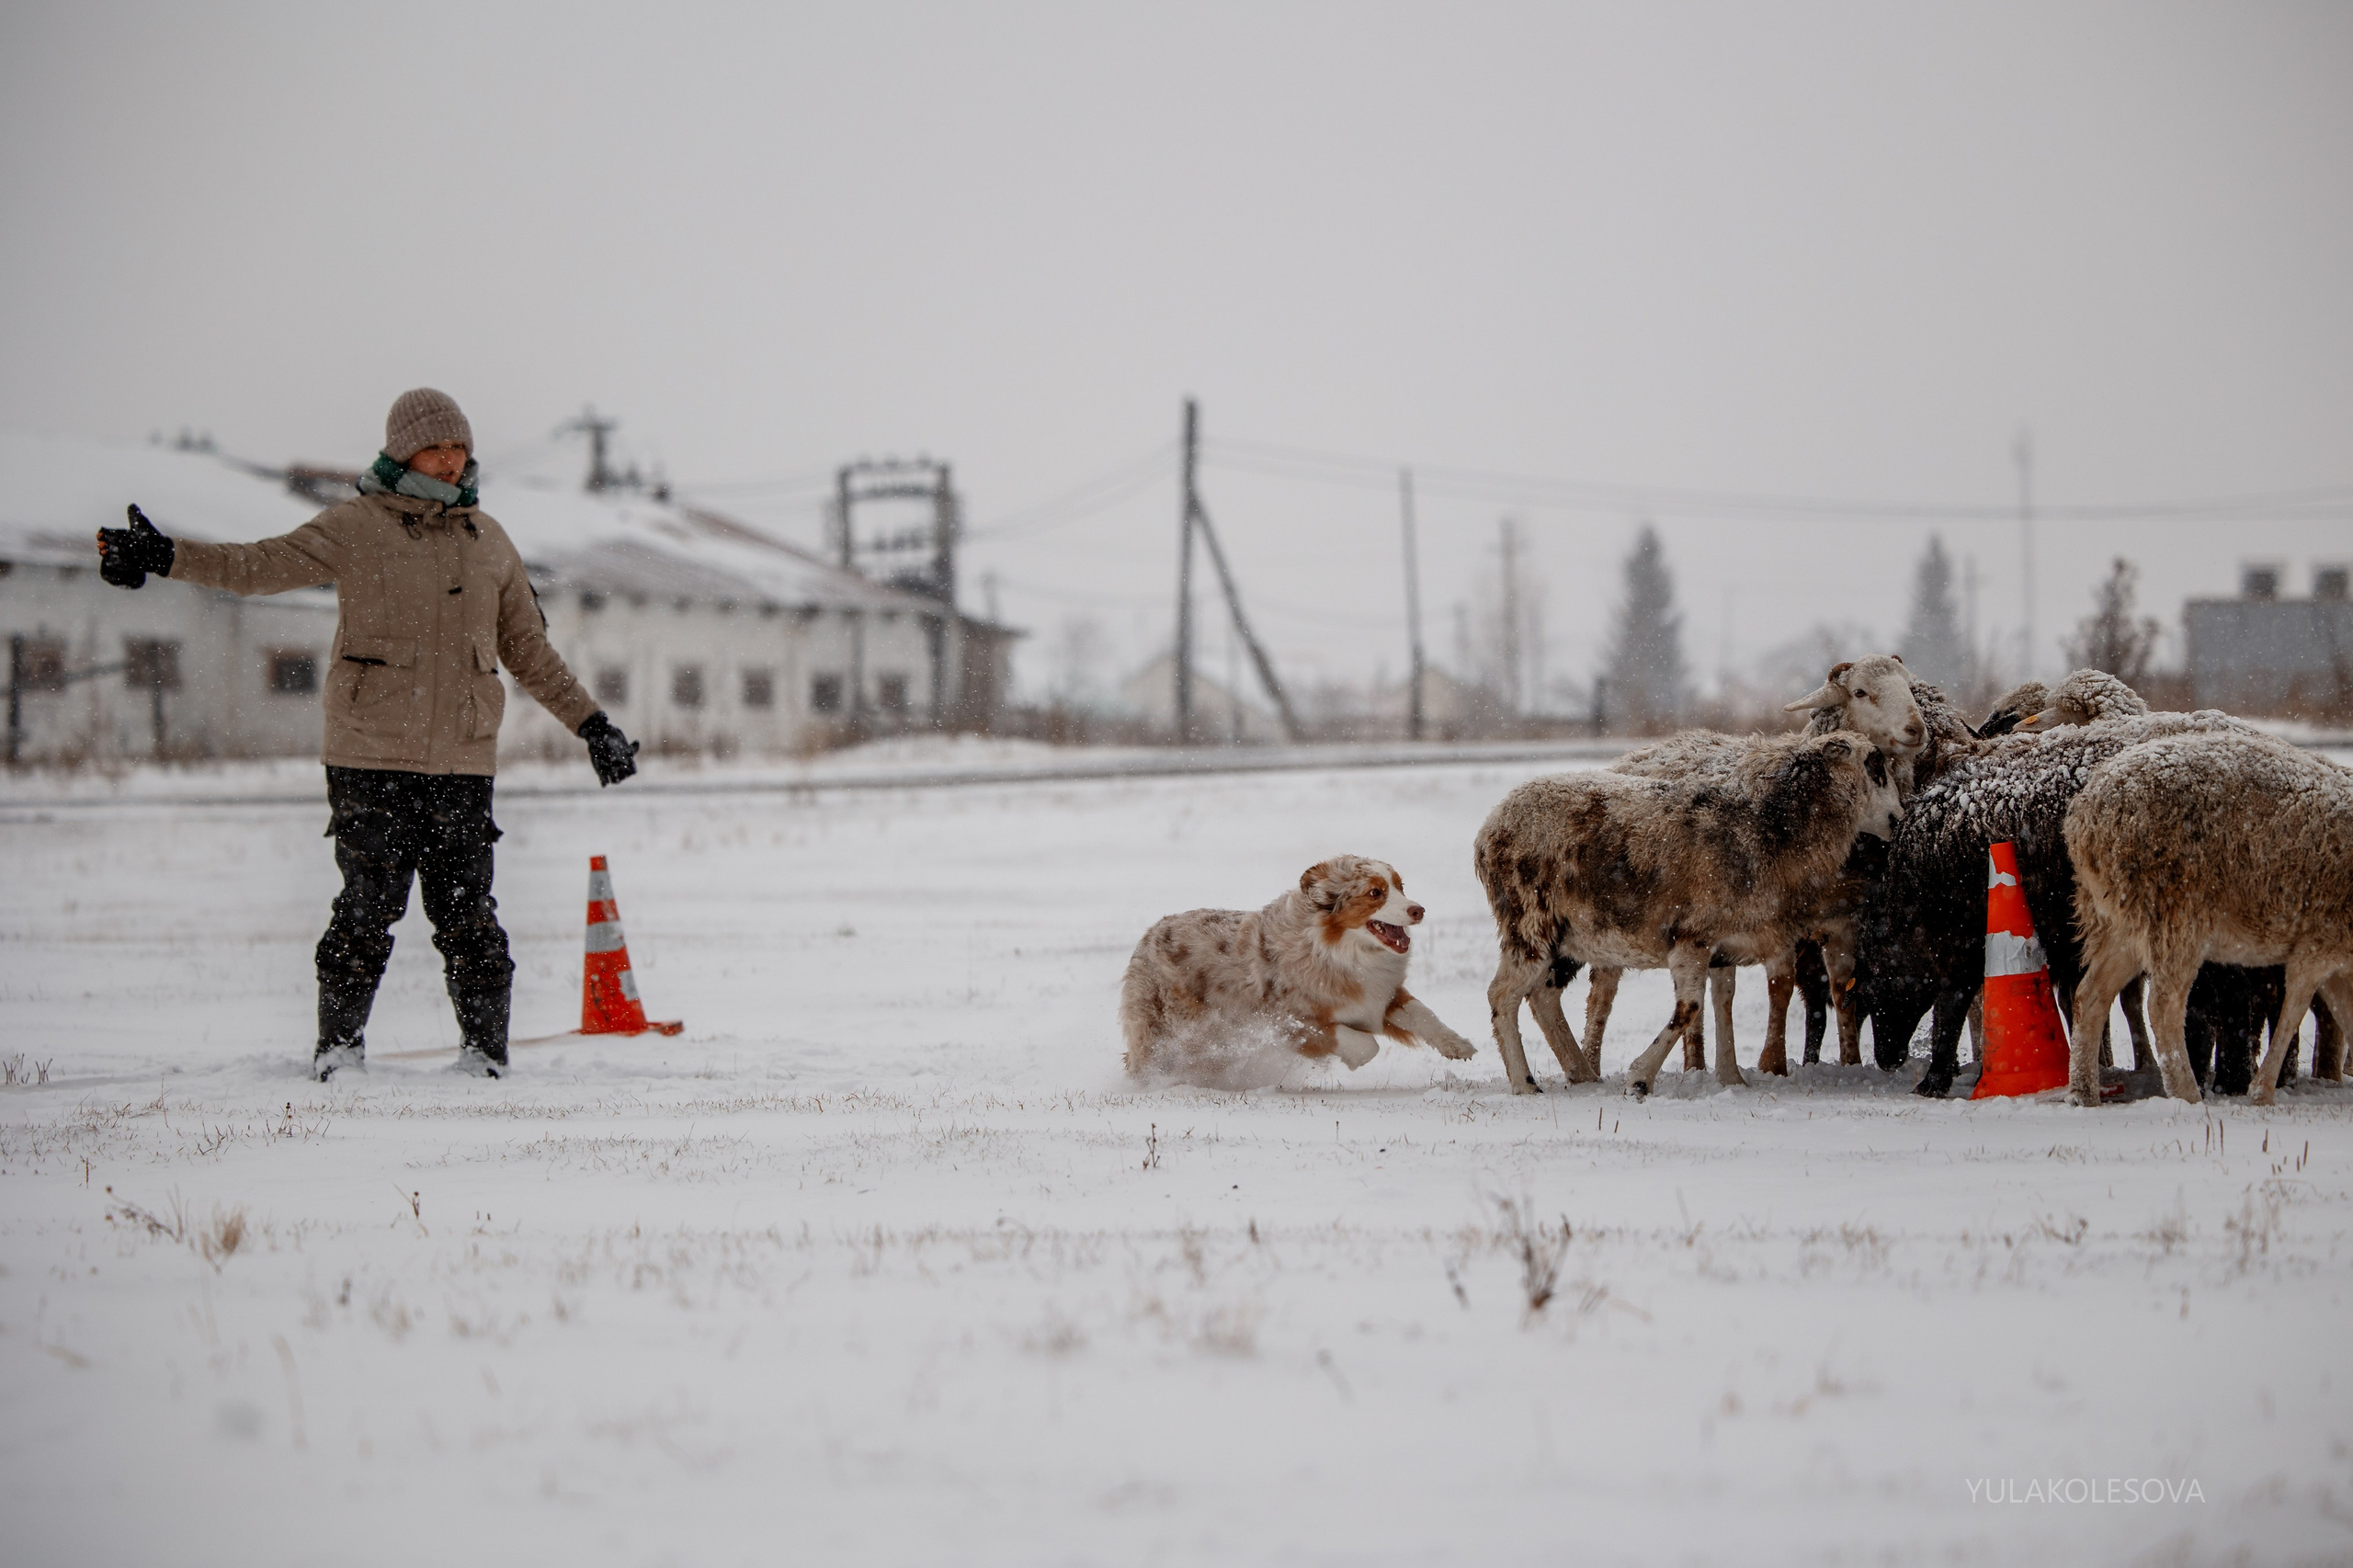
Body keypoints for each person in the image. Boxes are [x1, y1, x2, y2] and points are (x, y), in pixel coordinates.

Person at [95, 388, 642, 1080]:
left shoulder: (489, 542)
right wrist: (164, 556)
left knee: (470, 916)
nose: (451, 461)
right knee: (366, 908)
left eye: (460, 448)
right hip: (370, 755)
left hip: (462, 761)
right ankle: (339, 1053)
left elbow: (529, 651)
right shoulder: (357, 527)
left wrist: (593, 726)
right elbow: (258, 566)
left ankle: (485, 1059)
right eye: (436, 447)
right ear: (401, 451)